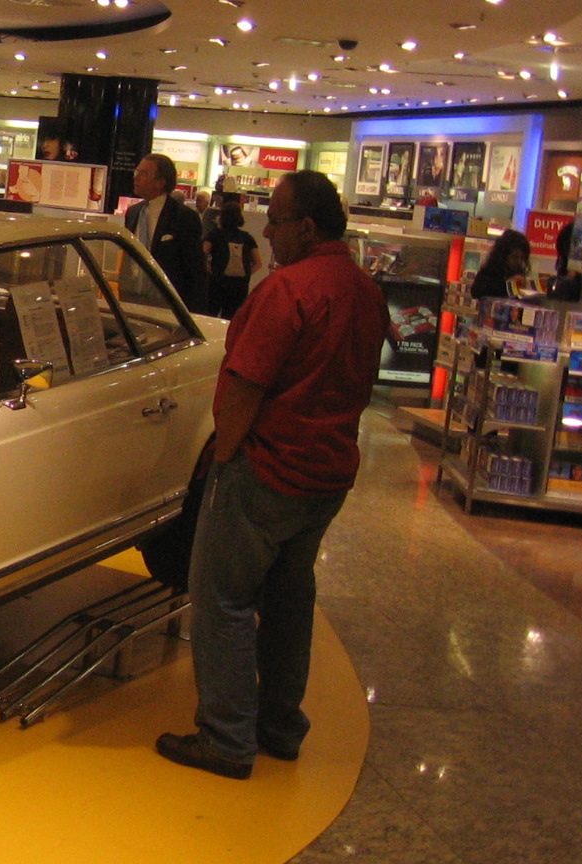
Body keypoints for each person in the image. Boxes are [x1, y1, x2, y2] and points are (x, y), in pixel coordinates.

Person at [157, 169, 389, 780]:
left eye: (277, 223)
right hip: (328, 474)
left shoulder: (287, 291)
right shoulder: (365, 291)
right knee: (290, 598)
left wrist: (224, 457)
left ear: (306, 227)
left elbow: (244, 384)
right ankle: (280, 726)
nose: (268, 234)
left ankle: (227, 737)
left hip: (266, 469)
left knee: (223, 598)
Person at [125, 153, 207, 313]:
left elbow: (195, 270)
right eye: (137, 172)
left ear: (161, 182)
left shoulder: (183, 217)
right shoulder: (133, 213)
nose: (136, 178)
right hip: (132, 298)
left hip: (168, 303)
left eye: (144, 174)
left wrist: (195, 313)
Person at [203, 199, 262, 319]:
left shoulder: (214, 234)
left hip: (217, 283)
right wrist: (246, 273)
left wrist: (209, 269)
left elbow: (202, 254)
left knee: (210, 316)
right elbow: (258, 263)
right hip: (239, 287)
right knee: (232, 319)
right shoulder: (247, 237)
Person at [469, 229, 531, 300]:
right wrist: (508, 285)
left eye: (522, 258)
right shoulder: (489, 272)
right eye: (515, 257)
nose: (519, 261)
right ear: (503, 256)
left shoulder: (518, 272)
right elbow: (476, 292)